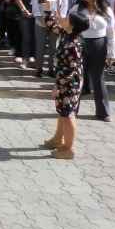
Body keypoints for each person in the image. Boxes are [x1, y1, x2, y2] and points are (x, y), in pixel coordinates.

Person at [41, 8, 88, 160]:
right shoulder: (67, 33)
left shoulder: (72, 44)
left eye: (67, 18)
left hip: (69, 82)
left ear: (72, 25)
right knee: (63, 111)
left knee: (68, 114)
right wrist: (47, 9)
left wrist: (58, 87)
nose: (63, 18)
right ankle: (58, 140)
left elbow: (70, 70)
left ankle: (68, 149)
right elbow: (51, 26)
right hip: (65, 80)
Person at [73, 0, 115, 121]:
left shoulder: (106, 10)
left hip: (99, 45)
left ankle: (103, 112)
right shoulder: (76, 8)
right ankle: (72, 110)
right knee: (78, 77)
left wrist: (112, 53)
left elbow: (111, 33)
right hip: (80, 44)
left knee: (98, 78)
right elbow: (68, 29)